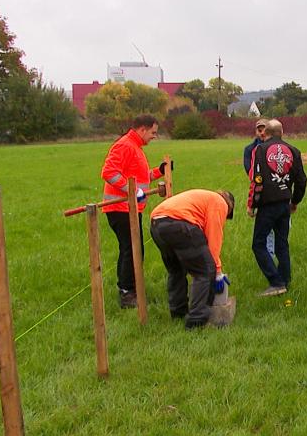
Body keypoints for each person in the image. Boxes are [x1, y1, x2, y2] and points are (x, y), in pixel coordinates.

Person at [100, 114, 170, 309]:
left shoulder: (135, 148)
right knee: (131, 250)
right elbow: (109, 172)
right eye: (153, 132)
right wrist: (131, 190)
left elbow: (140, 177)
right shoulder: (125, 146)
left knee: (134, 249)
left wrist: (159, 171)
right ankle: (127, 292)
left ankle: (131, 288)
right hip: (120, 208)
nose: (154, 136)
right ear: (142, 130)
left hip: (130, 208)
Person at [150, 189, 234, 329]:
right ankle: (196, 320)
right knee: (205, 271)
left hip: (157, 224)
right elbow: (214, 240)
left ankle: (178, 312)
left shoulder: (204, 199)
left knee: (176, 270)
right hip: (178, 224)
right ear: (229, 207)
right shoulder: (220, 203)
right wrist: (217, 272)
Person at [247, 119, 306, 297]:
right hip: (284, 204)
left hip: (267, 204)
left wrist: (252, 204)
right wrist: (295, 201)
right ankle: (285, 280)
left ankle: (276, 282)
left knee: (258, 244)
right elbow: (302, 181)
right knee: (282, 244)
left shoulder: (260, 150)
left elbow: (257, 179)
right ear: (282, 132)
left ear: (266, 133)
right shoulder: (294, 151)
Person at [243, 117, 274, 256]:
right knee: (267, 227)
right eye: (259, 130)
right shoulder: (249, 149)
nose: (262, 133)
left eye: (264, 130)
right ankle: (270, 255)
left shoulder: (276, 147)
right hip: (260, 190)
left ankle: (274, 253)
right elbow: (250, 171)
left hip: (277, 189)